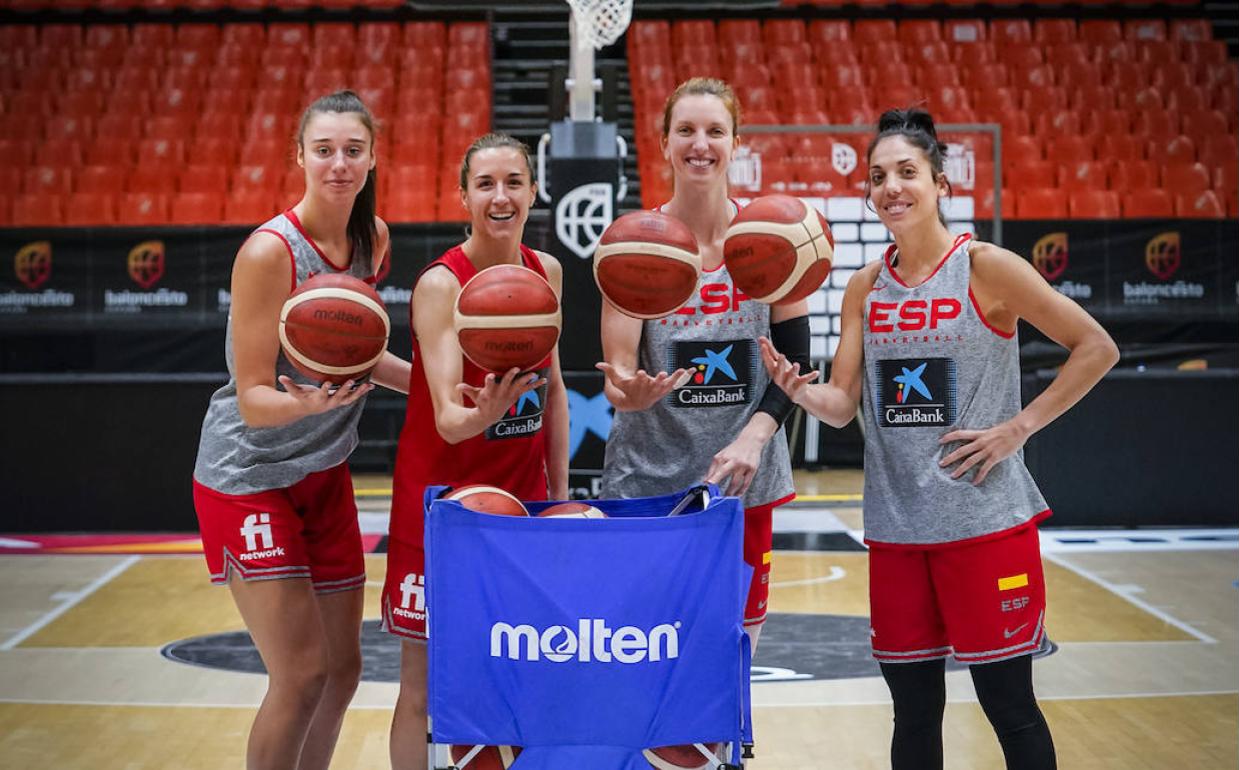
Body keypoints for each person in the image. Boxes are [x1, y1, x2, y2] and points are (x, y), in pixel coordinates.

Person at [760, 108, 1120, 770]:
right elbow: (841, 407)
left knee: (1009, 707)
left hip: (983, 523)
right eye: (877, 177)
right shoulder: (865, 288)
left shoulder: (987, 268)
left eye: (906, 172)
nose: (891, 187)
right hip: (898, 531)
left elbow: (1096, 347)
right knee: (914, 713)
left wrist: (1018, 428)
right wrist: (797, 390)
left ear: (939, 183)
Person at [192, 90, 410, 770]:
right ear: (300, 158)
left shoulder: (371, 241)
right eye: (324, 150)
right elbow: (254, 397)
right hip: (248, 477)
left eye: (352, 150)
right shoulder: (269, 253)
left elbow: (360, 355)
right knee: (301, 674)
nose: (338, 163)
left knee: (344, 671)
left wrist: (445, 387)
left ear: (373, 158)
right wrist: (310, 405)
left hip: (322, 473)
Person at [597, 77, 812, 654]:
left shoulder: (772, 238)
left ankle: (726, 750)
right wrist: (628, 392)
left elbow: (797, 363)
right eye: (686, 130)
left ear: (736, 142)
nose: (701, 143)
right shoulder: (634, 244)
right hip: (648, 479)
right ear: (664, 143)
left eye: (715, 131)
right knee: (645, 649)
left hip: (743, 479)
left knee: (731, 655)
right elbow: (617, 370)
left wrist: (757, 435)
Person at [383, 133, 569, 770]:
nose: (500, 196)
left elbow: (557, 393)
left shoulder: (547, 273)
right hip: (439, 512)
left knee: (520, 673)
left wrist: (559, 497)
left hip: (521, 510)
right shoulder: (440, 284)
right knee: (422, 688)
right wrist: (485, 412)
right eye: (485, 184)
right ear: (462, 196)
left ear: (533, 192)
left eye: (513, 182)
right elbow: (449, 421)